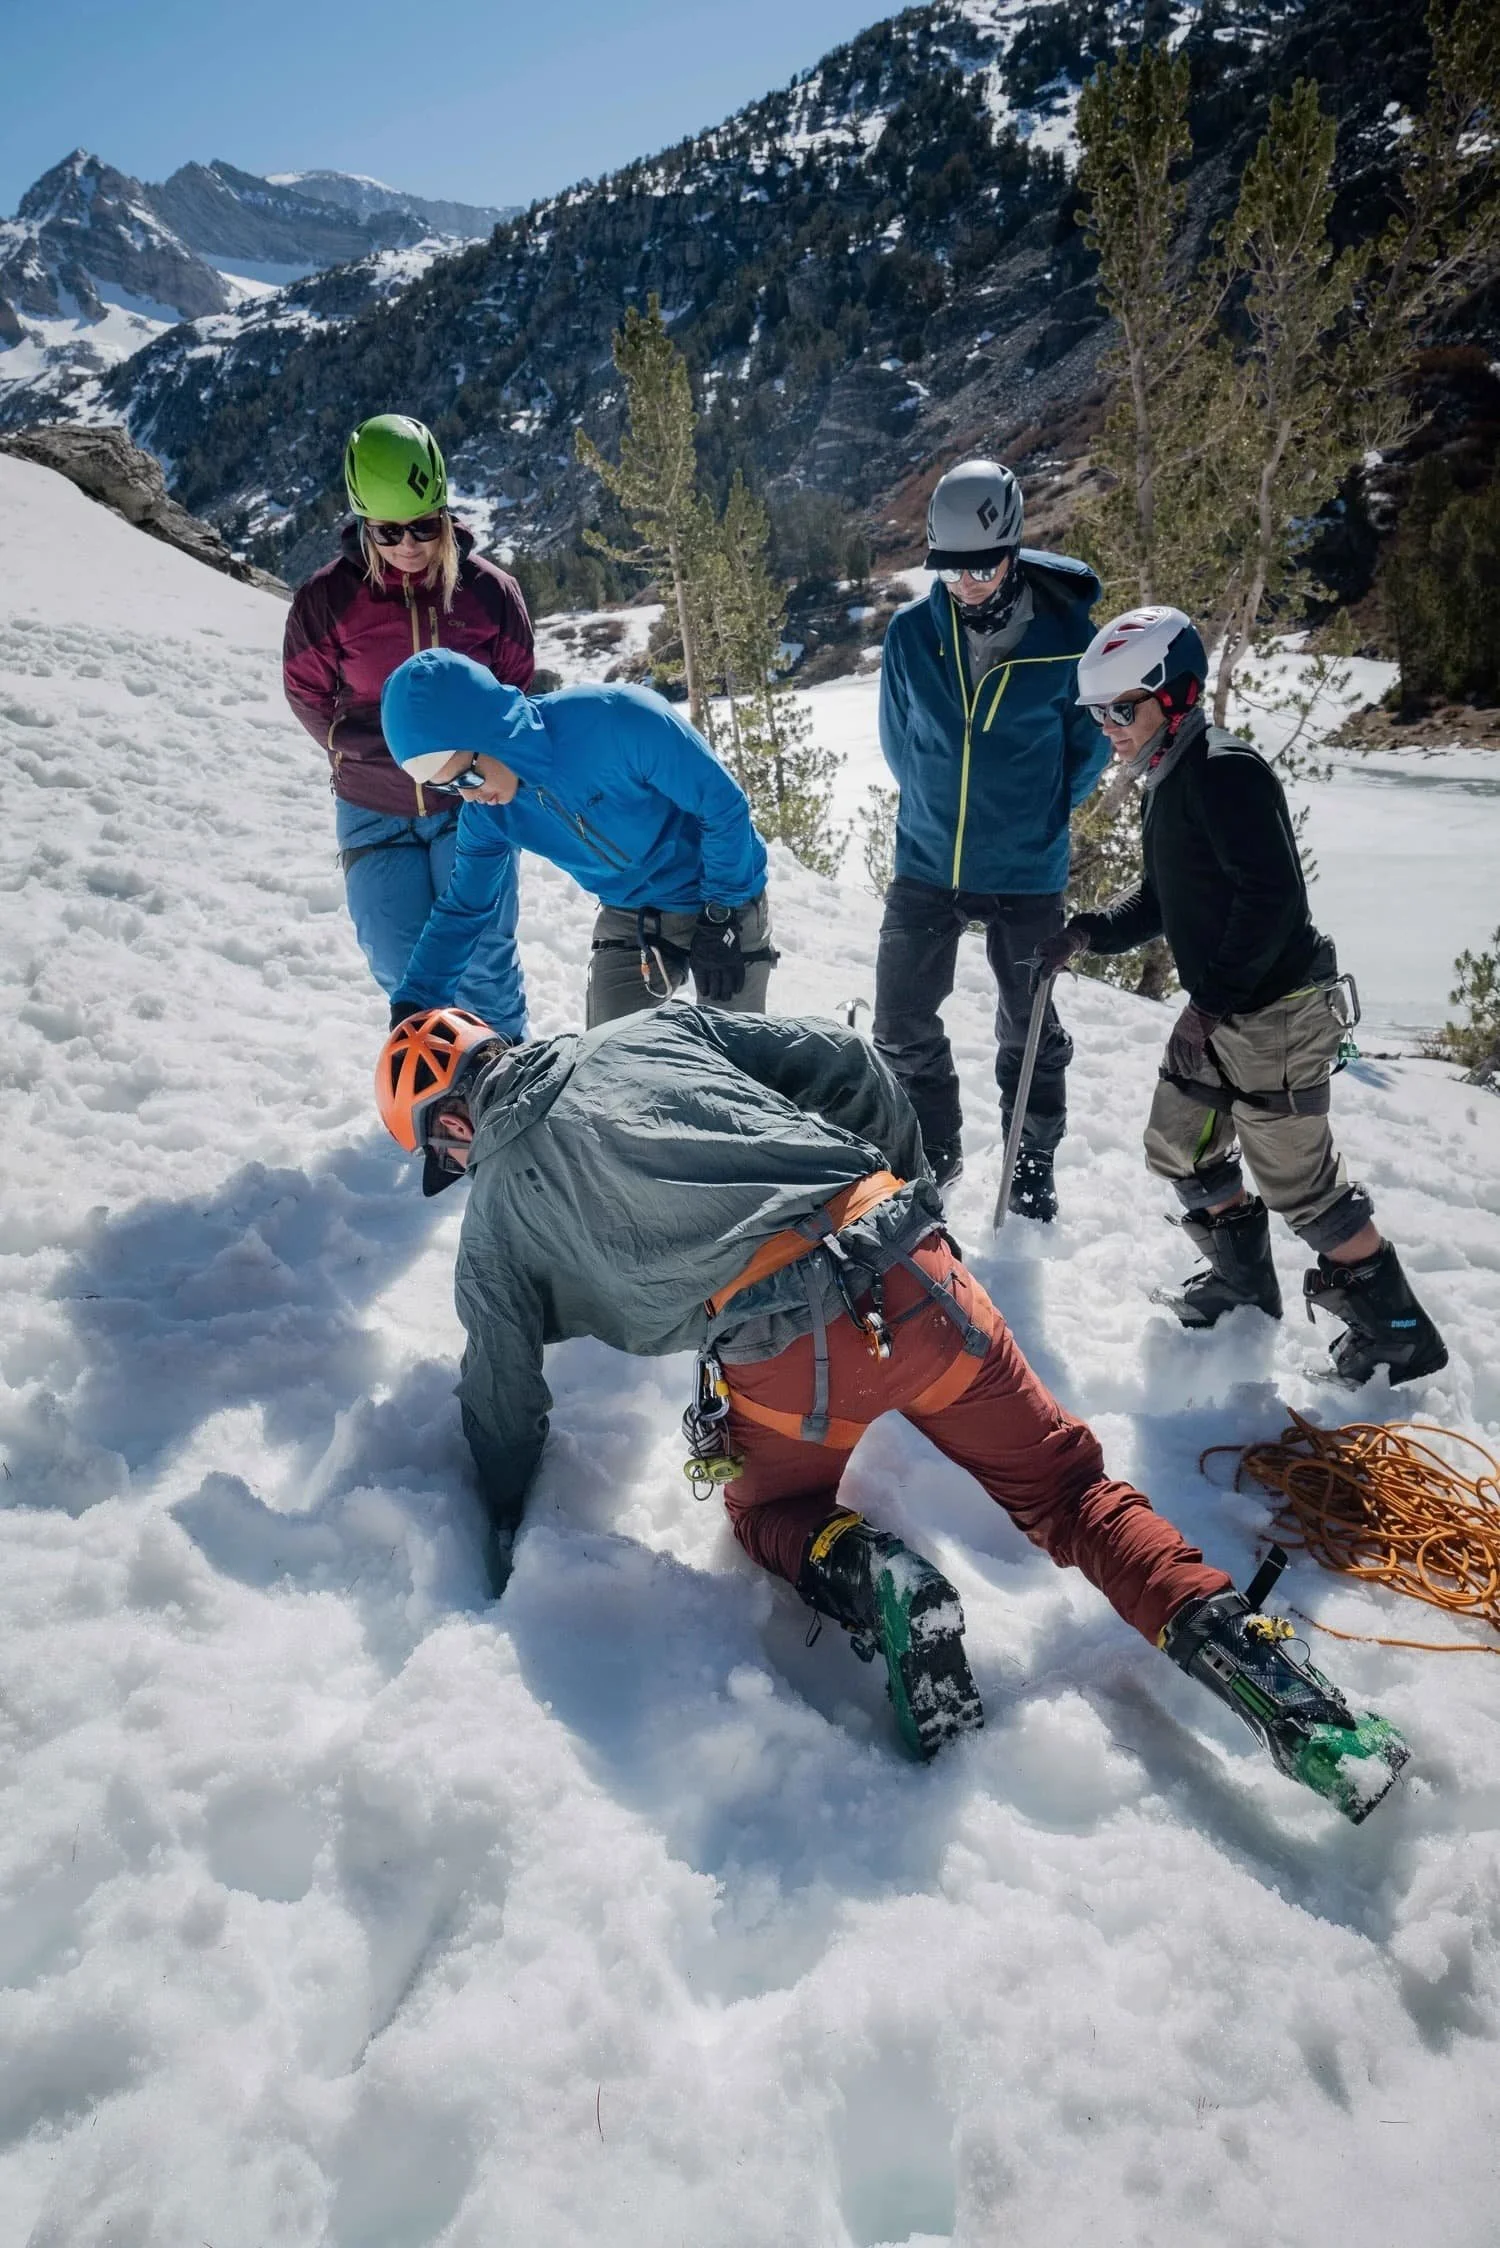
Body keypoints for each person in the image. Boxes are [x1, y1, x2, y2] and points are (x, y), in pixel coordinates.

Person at [370, 1000, 1410, 1822]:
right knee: (1069, 1491)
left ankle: (877, 1577)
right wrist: (906, 1191)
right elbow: (844, 1061)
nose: (458, 1169)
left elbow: (503, 1399)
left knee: (766, 1509)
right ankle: (1307, 1715)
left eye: (445, 1154)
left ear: (455, 1122)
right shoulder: (648, 1030)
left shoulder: (495, 1220)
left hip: (781, 1355)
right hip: (911, 1271)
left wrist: (499, 1527)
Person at [1040, 605, 1447, 1387]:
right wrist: (1088, 932)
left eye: (1120, 709)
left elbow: (1272, 903)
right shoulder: (1172, 774)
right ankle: (1243, 1282)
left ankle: (1400, 1334)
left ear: (1176, 692)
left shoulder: (1226, 772)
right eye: (1097, 713)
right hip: (1227, 1009)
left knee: (1302, 1185)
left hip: (1278, 1015)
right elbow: (1166, 897)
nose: (1106, 729)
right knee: (1177, 1139)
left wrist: (1212, 1001)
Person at [873, 458, 1110, 1219]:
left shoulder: (1072, 640)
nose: (967, 582)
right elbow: (899, 743)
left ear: (1013, 547)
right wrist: (938, 807)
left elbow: (1088, 753)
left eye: (980, 565)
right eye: (949, 569)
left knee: (1028, 1023)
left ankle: (1031, 1157)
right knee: (900, 1021)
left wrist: (1036, 815)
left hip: (1025, 866)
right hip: (926, 857)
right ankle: (934, 1152)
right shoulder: (912, 634)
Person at [282, 414, 535, 1038]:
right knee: (402, 969)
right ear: (363, 524)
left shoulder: (489, 594)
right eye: (388, 531)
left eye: (424, 526)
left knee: (483, 964)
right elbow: (306, 691)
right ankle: (447, 1098)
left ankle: (515, 1091)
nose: (408, 545)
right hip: (372, 807)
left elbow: (515, 686)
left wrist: (478, 764)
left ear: (446, 514)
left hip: (470, 803)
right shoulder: (328, 600)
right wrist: (362, 754)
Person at [377, 646, 776, 1030]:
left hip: (723, 893)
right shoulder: (488, 815)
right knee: (605, 1068)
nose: (468, 795)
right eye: (448, 788)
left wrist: (721, 911)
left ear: (490, 732)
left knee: (734, 1059)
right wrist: (415, 998)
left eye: (467, 776)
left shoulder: (618, 720)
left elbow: (722, 806)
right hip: (632, 913)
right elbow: (465, 907)